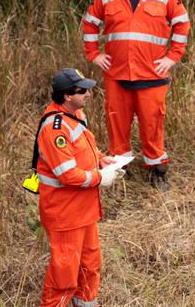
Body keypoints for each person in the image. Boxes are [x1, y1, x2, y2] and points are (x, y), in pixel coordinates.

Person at [82, 0, 190, 190]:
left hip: (152, 75)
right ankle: (120, 170)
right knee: (116, 126)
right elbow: (90, 23)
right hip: (117, 74)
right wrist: (93, 54)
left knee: (153, 127)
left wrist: (172, 57)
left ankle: (157, 170)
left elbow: (182, 24)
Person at [37, 68, 124, 306]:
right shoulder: (54, 128)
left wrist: (100, 158)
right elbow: (66, 174)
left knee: (90, 261)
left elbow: (82, 147)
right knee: (64, 271)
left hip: (83, 209)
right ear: (67, 95)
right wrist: (99, 178)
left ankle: (85, 301)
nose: (88, 93)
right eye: (82, 90)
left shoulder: (76, 113)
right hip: (64, 212)